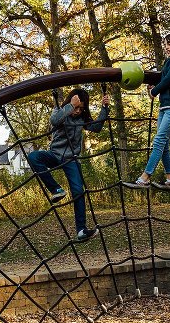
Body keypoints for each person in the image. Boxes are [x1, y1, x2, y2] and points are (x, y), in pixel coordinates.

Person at [27, 88, 109, 242]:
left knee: (78, 191)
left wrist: (105, 108)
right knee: (33, 157)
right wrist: (70, 106)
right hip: (55, 155)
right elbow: (54, 120)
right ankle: (56, 190)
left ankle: (81, 230)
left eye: (81, 108)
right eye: (76, 107)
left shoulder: (81, 119)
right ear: (71, 102)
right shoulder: (61, 111)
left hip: (72, 159)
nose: (77, 111)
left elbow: (96, 128)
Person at [127, 32, 170, 189]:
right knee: (163, 143)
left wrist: (154, 91)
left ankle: (145, 177)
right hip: (165, 105)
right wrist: (153, 85)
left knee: (159, 140)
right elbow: (164, 77)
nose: (166, 47)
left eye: (169, 44)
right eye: (165, 44)